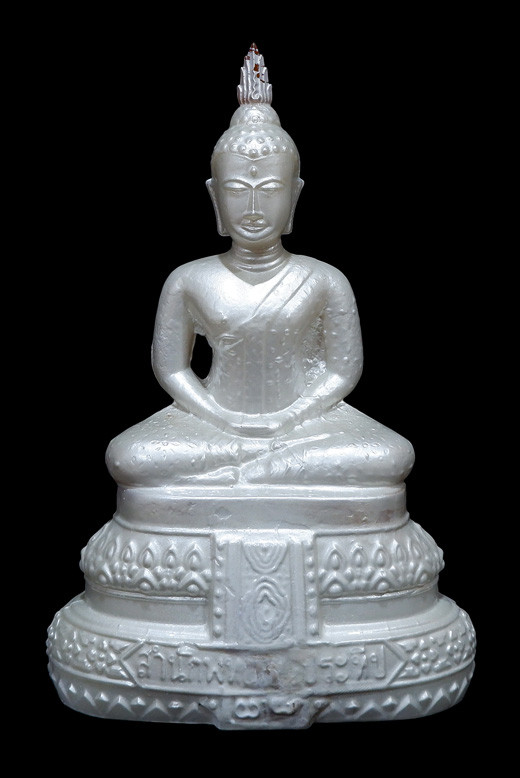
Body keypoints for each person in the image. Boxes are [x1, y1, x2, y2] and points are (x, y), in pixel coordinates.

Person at [106, 45, 414, 488]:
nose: (253, 207)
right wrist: (220, 419)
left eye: (269, 189)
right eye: (236, 190)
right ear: (214, 196)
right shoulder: (189, 279)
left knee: (387, 456)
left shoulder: (324, 279)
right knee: (132, 456)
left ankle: (244, 471)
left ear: (295, 194)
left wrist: (291, 419)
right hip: (212, 424)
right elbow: (171, 368)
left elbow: (342, 371)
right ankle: (262, 468)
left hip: (305, 426)